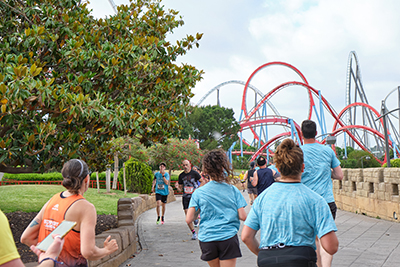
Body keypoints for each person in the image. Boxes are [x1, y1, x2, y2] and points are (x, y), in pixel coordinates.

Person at [241, 138, 339, 267]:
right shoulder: (316, 200)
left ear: (279, 169)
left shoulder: (263, 198)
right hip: (301, 259)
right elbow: (331, 247)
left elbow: (246, 236)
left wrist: (262, 254)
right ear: (303, 167)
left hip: (268, 259)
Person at [21, 159, 119, 267]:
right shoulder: (86, 208)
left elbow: (26, 237)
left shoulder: (53, 200)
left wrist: (49, 255)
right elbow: (88, 252)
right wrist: (107, 250)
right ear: (86, 179)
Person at [186, 149, 247, 267]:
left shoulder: (198, 193)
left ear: (205, 170)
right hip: (228, 237)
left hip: (207, 238)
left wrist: (200, 210)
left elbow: (189, 219)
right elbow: (243, 216)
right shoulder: (232, 190)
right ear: (223, 167)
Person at [300, 120, 343, 267]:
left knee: (313, 240)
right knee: (326, 238)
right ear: (316, 133)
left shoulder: (298, 152)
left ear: (301, 133)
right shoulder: (328, 151)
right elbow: (339, 175)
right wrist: (327, 172)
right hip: (326, 201)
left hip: (305, 202)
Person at [175, 159, 202, 240]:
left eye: (186, 165)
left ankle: (196, 219)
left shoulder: (194, 173)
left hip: (194, 197)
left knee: (194, 214)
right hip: (185, 197)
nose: (185, 167)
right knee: (188, 216)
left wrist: (197, 189)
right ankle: (193, 232)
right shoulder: (181, 176)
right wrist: (177, 188)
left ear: (190, 165)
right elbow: (180, 189)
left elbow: (202, 181)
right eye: (183, 165)